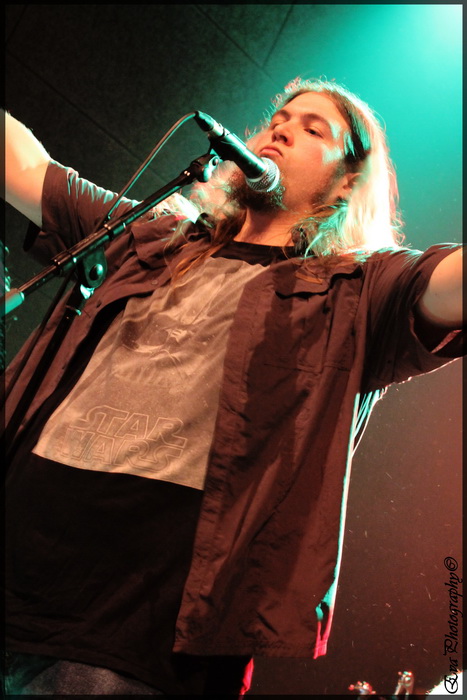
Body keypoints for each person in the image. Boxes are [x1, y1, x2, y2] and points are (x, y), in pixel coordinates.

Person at [2, 78, 464, 696]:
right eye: (279, 118)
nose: (281, 129)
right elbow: (26, 168)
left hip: (132, 630)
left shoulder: (359, 291)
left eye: (312, 128)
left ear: (347, 183)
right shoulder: (155, 236)